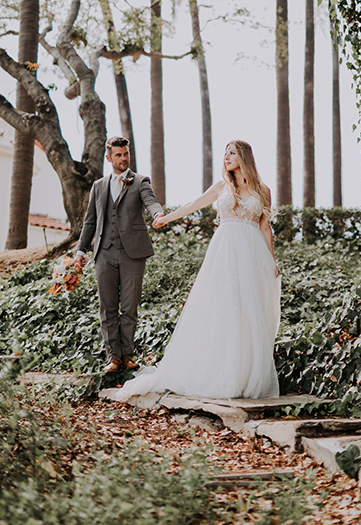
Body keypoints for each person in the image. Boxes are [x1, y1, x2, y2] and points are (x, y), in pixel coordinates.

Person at [114, 139, 281, 401]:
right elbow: (193, 204)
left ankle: (244, 373)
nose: (226, 157)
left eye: (232, 153)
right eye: (225, 153)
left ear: (245, 157)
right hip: (225, 251)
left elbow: (264, 227)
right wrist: (165, 218)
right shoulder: (222, 187)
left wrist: (272, 260)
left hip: (252, 254)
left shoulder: (263, 190)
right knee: (223, 307)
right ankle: (219, 371)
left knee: (249, 310)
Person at [74, 136, 164, 373]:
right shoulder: (98, 186)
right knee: (107, 307)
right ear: (109, 157)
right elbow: (89, 222)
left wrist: (157, 215)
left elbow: (151, 201)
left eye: (126, 154)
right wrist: (80, 250)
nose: (124, 159)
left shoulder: (140, 181)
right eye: (118, 155)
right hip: (104, 253)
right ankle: (113, 357)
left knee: (129, 306)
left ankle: (127, 355)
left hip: (133, 254)